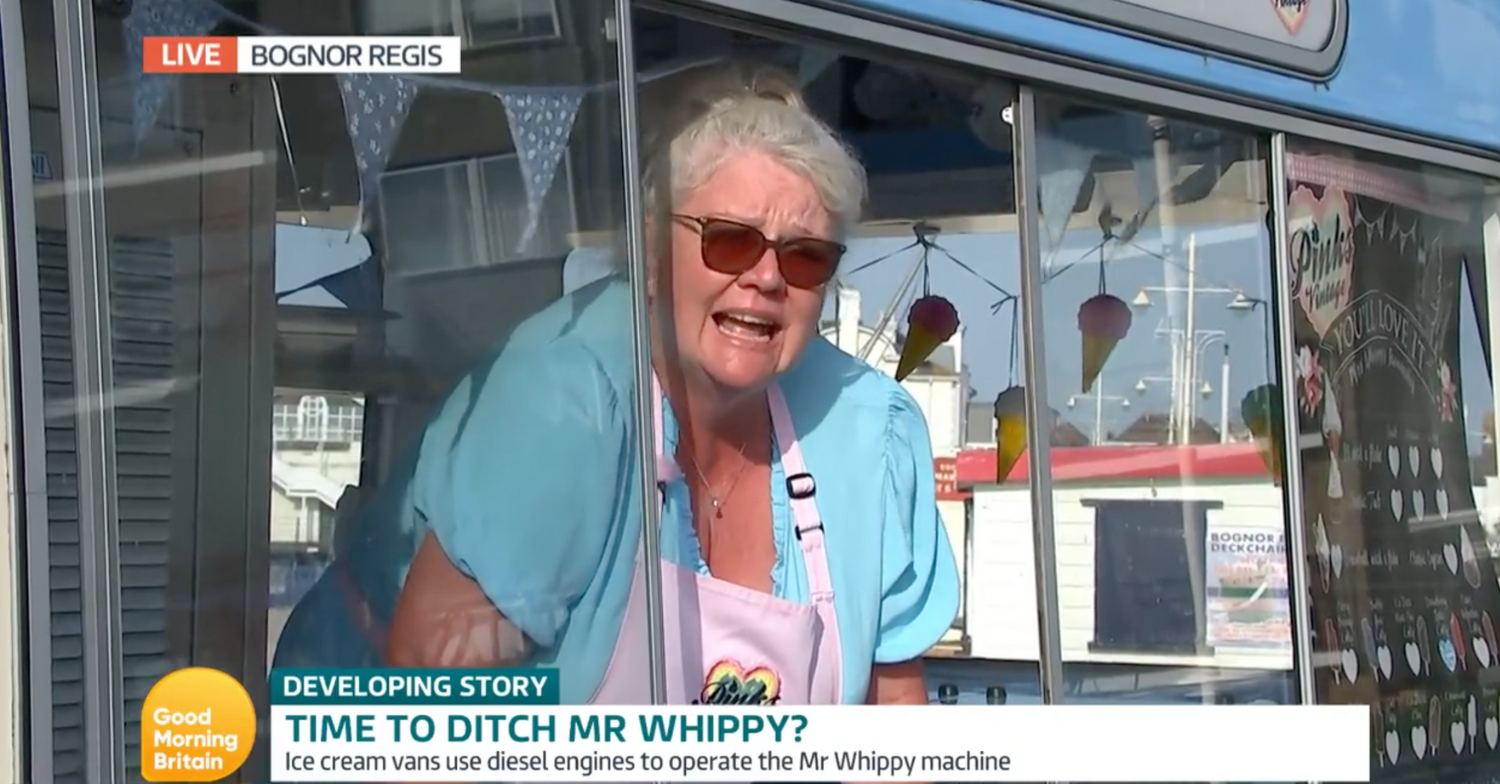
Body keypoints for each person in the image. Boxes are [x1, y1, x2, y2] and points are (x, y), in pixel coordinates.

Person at [274, 60, 959, 707]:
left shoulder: (872, 432)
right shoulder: (562, 409)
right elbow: (430, 733)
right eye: (729, 241)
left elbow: (891, 723)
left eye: (805, 256)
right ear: (653, 254)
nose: (767, 277)